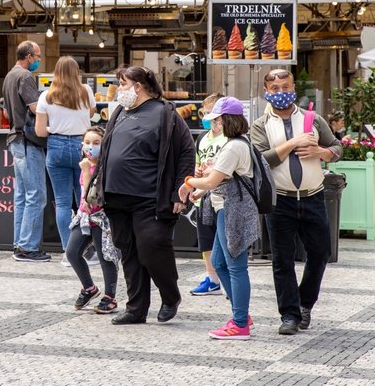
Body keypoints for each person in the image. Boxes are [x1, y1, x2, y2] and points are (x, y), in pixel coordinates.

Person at [92, 65, 195, 325]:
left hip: (150, 198)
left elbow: (185, 153)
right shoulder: (119, 112)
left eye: (123, 85)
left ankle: (170, 295)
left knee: (151, 247)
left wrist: (179, 193)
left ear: (138, 87)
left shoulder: (166, 114)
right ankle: (136, 309)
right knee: (129, 252)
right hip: (116, 197)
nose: (119, 90)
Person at [250, 69, 342, 335]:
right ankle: (289, 315)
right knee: (282, 259)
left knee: (320, 252)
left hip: (313, 196)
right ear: (266, 92)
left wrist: (322, 151)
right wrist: (292, 144)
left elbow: (337, 147)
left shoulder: (313, 119)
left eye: (285, 87)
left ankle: (305, 303)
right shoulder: (261, 125)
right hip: (281, 200)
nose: (281, 93)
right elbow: (260, 160)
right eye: (275, 88)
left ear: (294, 88)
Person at [181, 97, 259, 340]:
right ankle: (241, 315)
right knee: (220, 261)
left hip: (232, 210)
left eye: (217, 119)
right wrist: (199, 189)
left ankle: (239, 323)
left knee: (235, 266)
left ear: (227, 120)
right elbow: (220, 179)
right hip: (226, 207)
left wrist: (188, 183)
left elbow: (212, 181)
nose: (214, 124)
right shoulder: (235, 144)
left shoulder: (234, 146)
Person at [35, 56, 96, 256]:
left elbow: (40, 132)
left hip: (56, 146)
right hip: (82, 147)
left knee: (61, 202)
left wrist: (55, 126)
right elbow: (92, 112)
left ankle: (68, 252)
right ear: (76, 71)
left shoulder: (46, 96)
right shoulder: (86, 91)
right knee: (84, 199)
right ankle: (87, 250)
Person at [1, 40, 50, 263]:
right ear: (28, 56)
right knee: (36, 196)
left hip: (15, 139)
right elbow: (34, 107)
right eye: (37, 56)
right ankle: (28, 247)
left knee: (21, 195)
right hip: (28, 140)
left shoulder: (10, 75)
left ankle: (19, 243)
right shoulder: (25, 77)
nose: (38, 60)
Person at [67, 126, 119, 314]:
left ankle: (110, 296)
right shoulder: (85, 164)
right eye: (87, 142)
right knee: (72, 252)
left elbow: (93, 195)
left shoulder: (104, 167)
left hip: (101, 218)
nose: (91, 147)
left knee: (106, 256)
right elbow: (83, 194)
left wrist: (87, 172)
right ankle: (89, 288)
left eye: (96, 143)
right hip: (84, 216)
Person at [190, 93, 226, 296]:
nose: (206, 116)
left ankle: (227, 278)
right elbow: (198, 161)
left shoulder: (229, 137)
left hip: (222, 195)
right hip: (202, 197)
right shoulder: (203, 137)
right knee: (206, 240)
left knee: (223, 239)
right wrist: (196, 175)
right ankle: (212, 279)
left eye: (210, 112)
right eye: (204, 112)